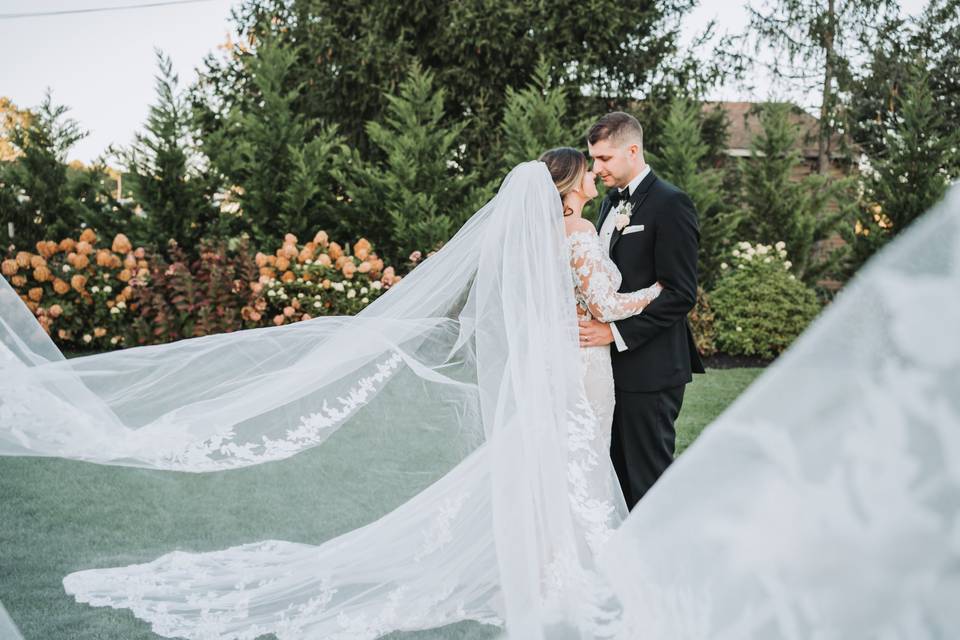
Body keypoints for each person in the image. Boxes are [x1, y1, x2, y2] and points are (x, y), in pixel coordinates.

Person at [0, 157, 654, 639]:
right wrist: (646, 302)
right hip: (575, 364)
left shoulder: (536, 240)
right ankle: (565, 571)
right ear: (569, 188)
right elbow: (600, 301)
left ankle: (549, 565)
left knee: (550, 459)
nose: (596, 181)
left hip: (556, 362)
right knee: (571, 458)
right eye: (588, 175)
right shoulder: (573, 234)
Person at [579, 112, 705, 509]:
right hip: (608, 371)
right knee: (613, 478)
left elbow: (681, 293)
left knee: (647, 483)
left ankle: (659, 565)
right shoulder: (608, 205)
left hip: (650, 370)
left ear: (633, 150)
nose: (596, 169)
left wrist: (614, 334)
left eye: (604, 159)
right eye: (593, 160)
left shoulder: (671, 204)